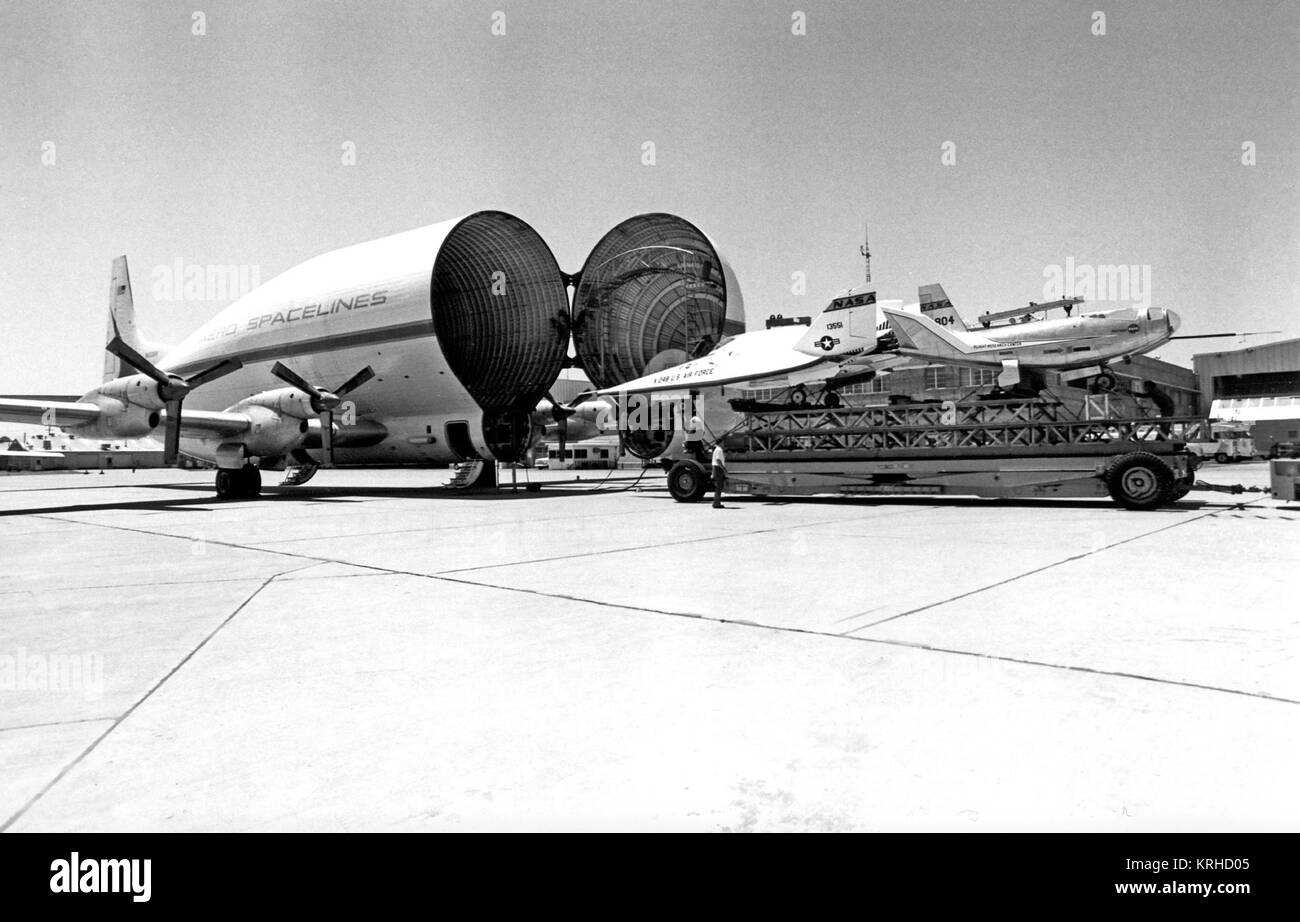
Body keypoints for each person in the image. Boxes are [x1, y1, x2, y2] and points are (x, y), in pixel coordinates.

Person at [711, 441, 726, 508]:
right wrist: (724, 469)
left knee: (718, 487)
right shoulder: (719, 450)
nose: (723, 444)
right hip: (718, 469)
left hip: (716, 468)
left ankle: (716, 502)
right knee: (719, 487)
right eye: (723, 442)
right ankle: (716, 503)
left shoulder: (716, 450)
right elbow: (718, 461)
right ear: (720, 443)